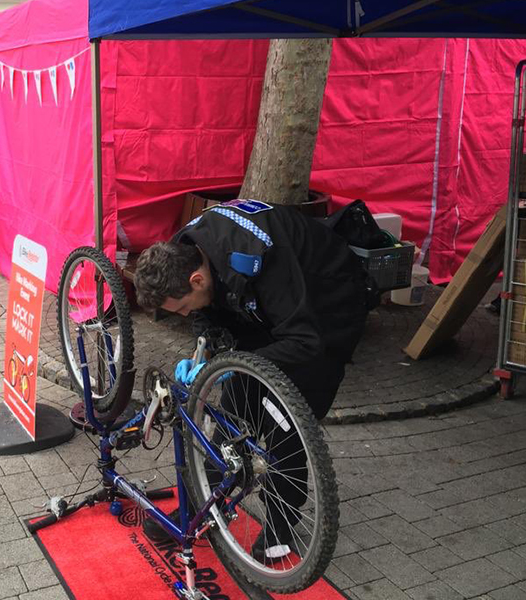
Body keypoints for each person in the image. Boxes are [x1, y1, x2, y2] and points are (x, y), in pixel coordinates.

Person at [133, 199, 369, 560]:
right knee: (237, 405)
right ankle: (205, 503)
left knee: (285, 423)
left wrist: (234, 362)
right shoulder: (185, 251)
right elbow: (206, 310)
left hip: (325, 309)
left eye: (182, 308)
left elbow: (304, 341)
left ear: (197, 279)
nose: (185, 314)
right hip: (263, 305)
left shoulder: (259, 259)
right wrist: (207, 349)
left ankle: (281, 527)